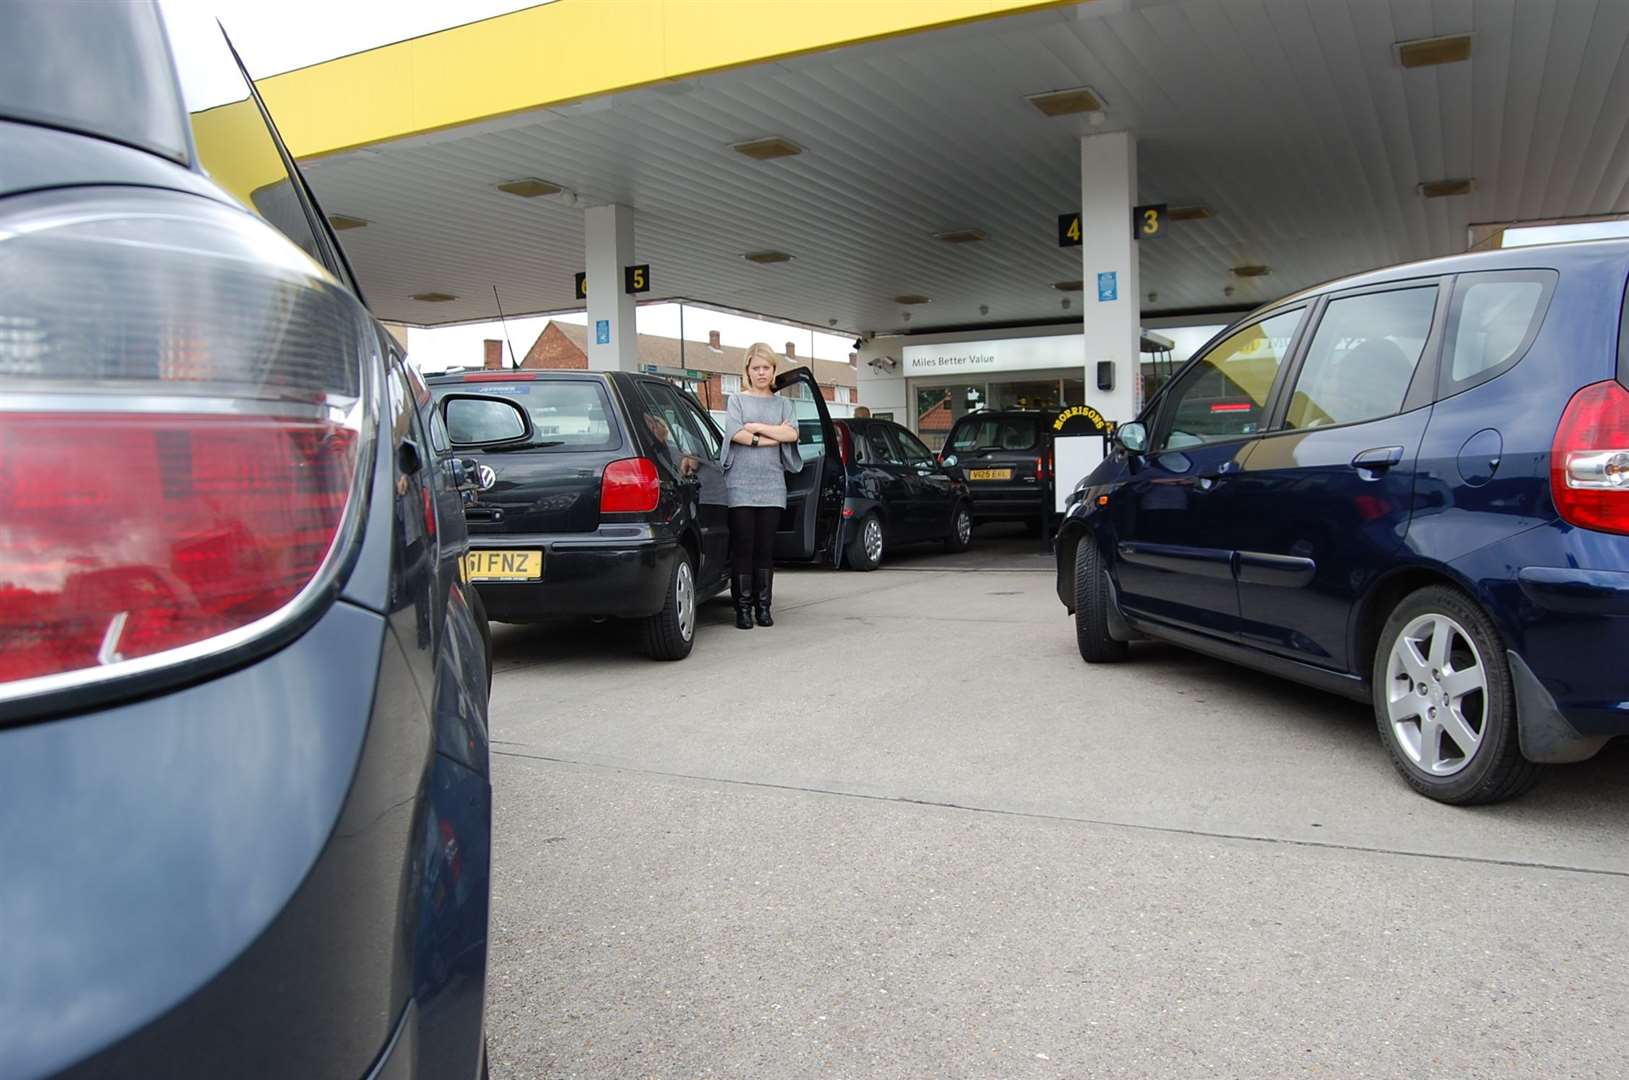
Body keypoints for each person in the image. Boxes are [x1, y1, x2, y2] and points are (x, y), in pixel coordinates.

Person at [720, 342, 802, 629]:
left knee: (766, 548)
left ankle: (763, 607)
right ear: (747, 371)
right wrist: (770, 437)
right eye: (756, 368)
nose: (761, 372)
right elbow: (736, 434)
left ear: (773, 370)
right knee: (744, 546)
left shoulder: (784, 404)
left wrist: (757, 427)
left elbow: (792, 433)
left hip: (772, 484)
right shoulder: (736, 400)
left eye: (766, 367)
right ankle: (742, 609)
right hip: (740, 484)